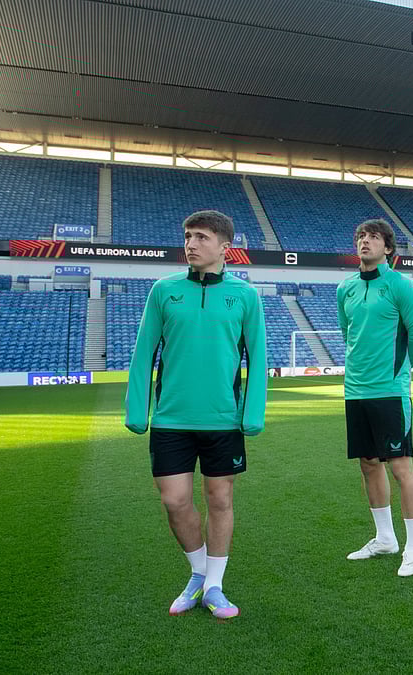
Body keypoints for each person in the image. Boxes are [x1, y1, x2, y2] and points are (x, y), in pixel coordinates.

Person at [124, 209, 267, 621]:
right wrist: (139, 410)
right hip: (171, 419)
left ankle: (214, 586)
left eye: (201, 237)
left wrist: (251, 413)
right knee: (174, 501)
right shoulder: (163, 290)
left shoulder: (245, 296)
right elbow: (142, 354)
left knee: (220, 498)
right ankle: (198, 573)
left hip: (223, 420)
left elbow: (257, 358)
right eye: (188, 236)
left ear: (225, 247)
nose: (191, 243)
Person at [337, 219, 413, 577]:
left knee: (401, 467)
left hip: (389, 391)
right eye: (360, 237)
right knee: (368, 463)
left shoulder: (401, 286)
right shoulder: (345, 288)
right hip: (355, 390)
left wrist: (397, 371)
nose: (365, 242)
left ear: (388, 248)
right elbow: (348, 333)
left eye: (373, 238)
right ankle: (385, 538)